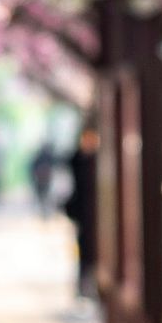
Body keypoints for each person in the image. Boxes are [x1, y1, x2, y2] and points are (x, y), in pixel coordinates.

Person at [66, 126, 101, 301]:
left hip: (98, 218)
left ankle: (93, 285)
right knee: (83, 251)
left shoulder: (100, 161)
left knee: (96, 252)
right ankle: (83, 285)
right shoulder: (75, 160)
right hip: (82, 216)